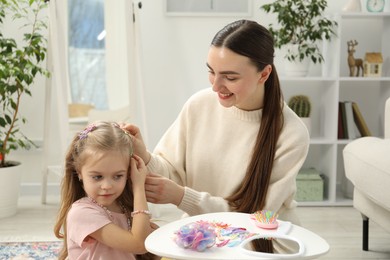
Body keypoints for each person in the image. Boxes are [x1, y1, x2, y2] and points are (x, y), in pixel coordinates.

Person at [125, 19, 310, 253]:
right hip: (201, 235)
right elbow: (171, 172)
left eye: (230, 78)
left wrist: (183, 197)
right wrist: (144, 154)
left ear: (264, 74)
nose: (216, 87)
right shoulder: (199, 105)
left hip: (262, 242)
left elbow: (257, 217)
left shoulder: (291, 132)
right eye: (212, 72)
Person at [54, 121, 159, 260]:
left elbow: (147, 247)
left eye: (117, 176)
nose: (107, 186)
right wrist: (138, 186)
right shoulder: (81, 213)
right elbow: (139, 244)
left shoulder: (124, 206)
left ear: (129, 172)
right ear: (79, 172)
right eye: (97, 177)